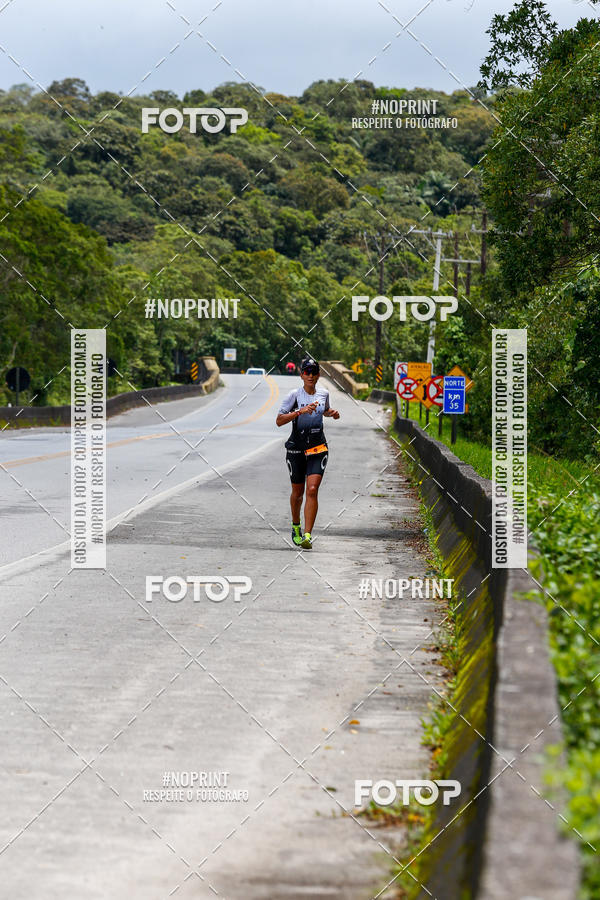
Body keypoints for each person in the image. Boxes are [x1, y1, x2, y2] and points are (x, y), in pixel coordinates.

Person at [276, 357, 340, 549]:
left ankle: (307, 535)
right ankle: (296, 526)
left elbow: (325, 410)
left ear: (319, 375)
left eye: (314, 372)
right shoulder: (294, 395)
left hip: (317, 447)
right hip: (296, 447)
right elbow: (279, 420)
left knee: (312, 490)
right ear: (301, 374)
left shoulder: (324, 393)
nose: (310, 375)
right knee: (298, 492)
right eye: (307, 372)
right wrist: (300, 412)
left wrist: (332, 414)